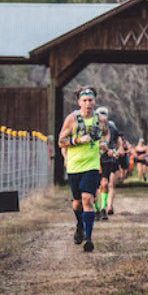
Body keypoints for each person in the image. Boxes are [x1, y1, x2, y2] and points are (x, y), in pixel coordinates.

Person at [57, 86, 102, 252]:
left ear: (95, 101)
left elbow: (105, 135)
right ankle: (79, 225)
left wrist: (104, 145)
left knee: (87, 200)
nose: (88, 104)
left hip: (91, 165)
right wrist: (78, 141)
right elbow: (61, 141)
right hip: (75, 166)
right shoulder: (72, 119)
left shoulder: (100, 119)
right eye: (84, 100)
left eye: (90, 100)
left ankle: (89, 239)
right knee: (77, 203)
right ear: (79, 102)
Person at [95, 106, 124, 218]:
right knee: (95, 186)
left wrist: (117, 151)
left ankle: (104, 208)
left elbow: (118, 142)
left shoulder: (112, 127)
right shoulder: (92, 127)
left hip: (108, 159)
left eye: (104, 114)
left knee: (105, 183)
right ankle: (97, 209)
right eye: (100, 114)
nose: (102, 117)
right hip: (94, 159)